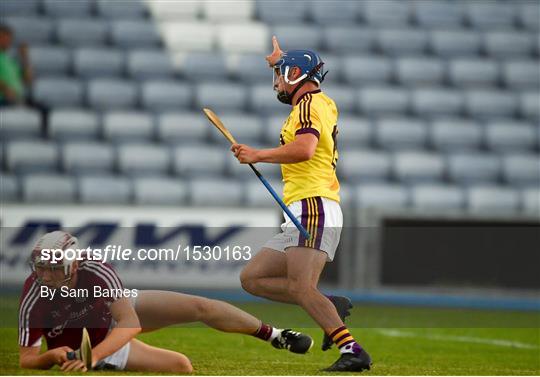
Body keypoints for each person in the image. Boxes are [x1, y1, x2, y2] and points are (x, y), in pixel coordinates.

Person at [232, 36, 372, 372]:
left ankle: (353, 350)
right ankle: (328, 305)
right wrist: (283, 60)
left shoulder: (310, 104)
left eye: (281, 75)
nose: (277, 83)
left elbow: (305, 149)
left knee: (300, 286)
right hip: (301, 207)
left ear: (297, 74)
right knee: (252, 279)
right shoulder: (309, 105)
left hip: (314, 205)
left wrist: (258, 155)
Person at [19, 231, 313, 373]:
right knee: (182, 366)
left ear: (73, 265)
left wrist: (91, 357)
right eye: (40, 267)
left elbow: (129, 322)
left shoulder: (94, 269)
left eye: (52, 268)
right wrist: (53, 356)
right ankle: (107, 362)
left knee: (201, 306)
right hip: (99, 340)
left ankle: (276, 335)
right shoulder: (34, 294)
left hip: (112, 320)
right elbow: (27, 359)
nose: (44, 275)